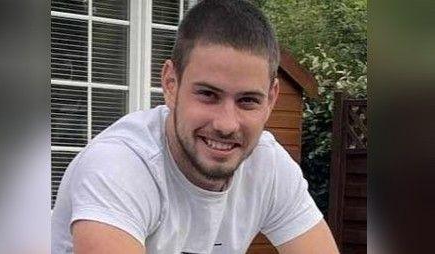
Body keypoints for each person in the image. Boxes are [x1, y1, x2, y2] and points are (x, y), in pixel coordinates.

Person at [51, 0, 339, 253]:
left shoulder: (269, 166)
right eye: (207, 94)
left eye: (248, 100)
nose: (226, 124)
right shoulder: (119, 164)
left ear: (272, 99)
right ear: (170, 84)